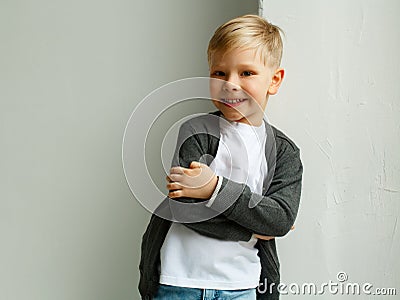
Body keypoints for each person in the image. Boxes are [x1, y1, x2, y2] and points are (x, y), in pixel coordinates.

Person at [138, 14, 303, 300]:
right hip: (179, 282)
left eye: (247, 73)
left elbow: (280, 219)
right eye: (219, 73)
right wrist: (253, 227)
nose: (231, 84)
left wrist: (214, 188)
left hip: (241, 286)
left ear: (274, 80)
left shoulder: (285, 152)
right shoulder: (195, 132)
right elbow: (183, 208)